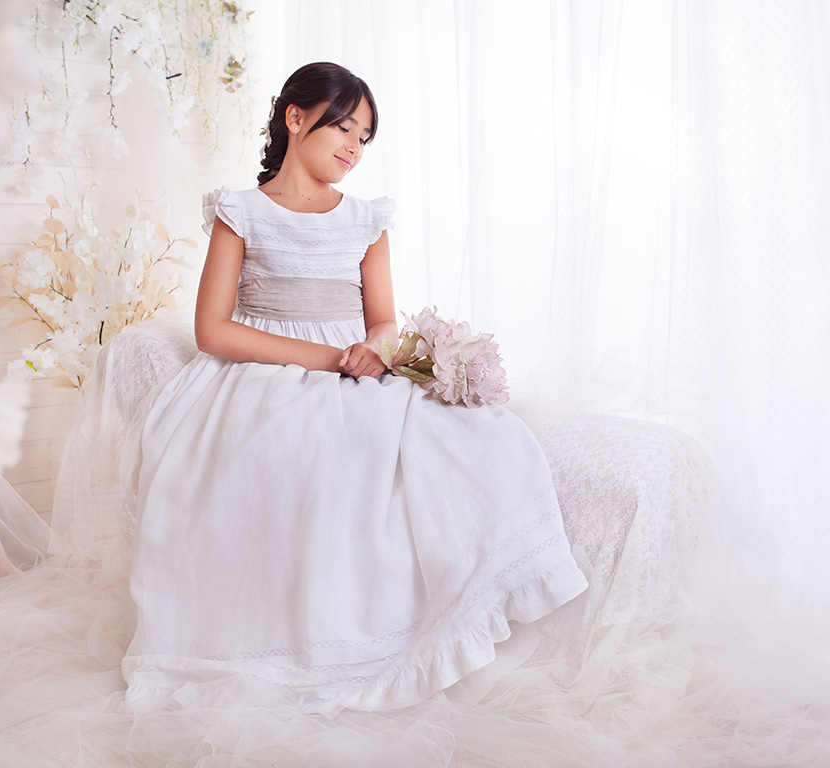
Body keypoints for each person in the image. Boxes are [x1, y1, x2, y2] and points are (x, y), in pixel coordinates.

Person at [121, 61, 588, 720]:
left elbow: (383, 320)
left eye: (364, 137)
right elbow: (213, 330)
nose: (354, 147)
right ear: (295, 118)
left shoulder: (366, 220)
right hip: (267, 371)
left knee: (475, 433)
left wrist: (375, 349)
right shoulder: (241, 213)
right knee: (302, 448)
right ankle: (291, 640)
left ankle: (442, 606)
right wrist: (327, 359)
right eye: (344, 127)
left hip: (355, 366)